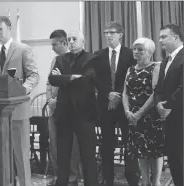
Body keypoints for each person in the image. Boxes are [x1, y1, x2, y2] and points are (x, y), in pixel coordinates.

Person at [0, 16, 39, 186]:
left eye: (0, 29)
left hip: (18, 110)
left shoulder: (23, 49)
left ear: (9, 28)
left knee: (21, 154)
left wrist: (23, 90)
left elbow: (33, 75)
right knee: (0, 154)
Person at [91, 21, 139, 186]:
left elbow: (133, 77)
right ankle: (108, 178)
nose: (108, 35)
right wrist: (108, 94)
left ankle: (132, 177)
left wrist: (117, 95)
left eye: (112, 32)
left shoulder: (131, 54)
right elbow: (95, 79)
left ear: (120, 34)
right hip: (105, 106)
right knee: (107, 144)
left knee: (129, 142)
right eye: (106, 32)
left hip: (126, 106)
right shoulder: (98, 55)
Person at [48, 31, 99, 186]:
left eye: (74, 39)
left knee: (88, 154)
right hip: (64, 113)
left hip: (85, 113)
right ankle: (62, 183)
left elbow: (88, 80)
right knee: (63, 153)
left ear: (83, 41)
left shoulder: (92, 58)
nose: (71, 42)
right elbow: (52, 79)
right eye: (68, 40)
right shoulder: (60, 59)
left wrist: (63, 77)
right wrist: (70, 77)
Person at [122, 37, 163, 186]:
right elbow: (125, 93)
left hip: (150, 116)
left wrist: (139, 113)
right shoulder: (130, 69)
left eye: (140, 49)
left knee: (154, 151)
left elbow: (155, 94)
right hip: (133, 117)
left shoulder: (155, 67)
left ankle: (156, 181)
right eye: (135, 49)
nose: (136, 52)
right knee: (140, 151)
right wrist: (127, 111)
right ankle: (145, 181)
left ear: (150, 53)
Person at [46, 29, 81, 185]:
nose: (52, 48)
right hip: (54, 110)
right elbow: (49, 82)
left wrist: (58, 100)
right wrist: (49, 100)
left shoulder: (74, 59)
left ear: (64, 43)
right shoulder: (55, 60)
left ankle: (72, 178)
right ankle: (58, 176)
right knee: (54, 145)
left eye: (55, 44)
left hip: (68, 110)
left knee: (71, 146)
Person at [154, 23, 183, 186]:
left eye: (164, 37)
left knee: (181, 158)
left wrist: (168, 105)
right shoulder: (166, 60)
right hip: (168, 118)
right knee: (173, 159)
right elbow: (158, 88)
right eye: (159, 37)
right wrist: (159, 105)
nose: (160, 41)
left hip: (181, 115)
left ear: (176, 37)